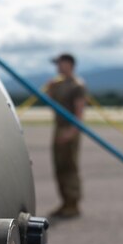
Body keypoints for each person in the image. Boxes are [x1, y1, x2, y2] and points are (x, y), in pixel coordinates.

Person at [43, 53, 87, 218]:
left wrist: (71, 132)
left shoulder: (77, 85)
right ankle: (64, 202)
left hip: (70, 129)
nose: (58, 67)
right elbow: (52, 106)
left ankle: (73, 203)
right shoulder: (58, 84)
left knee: (69, 166)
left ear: (69, 64)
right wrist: (49, 90)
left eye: (60, 63)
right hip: (59, 127)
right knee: (59, 166)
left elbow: (79, 112)